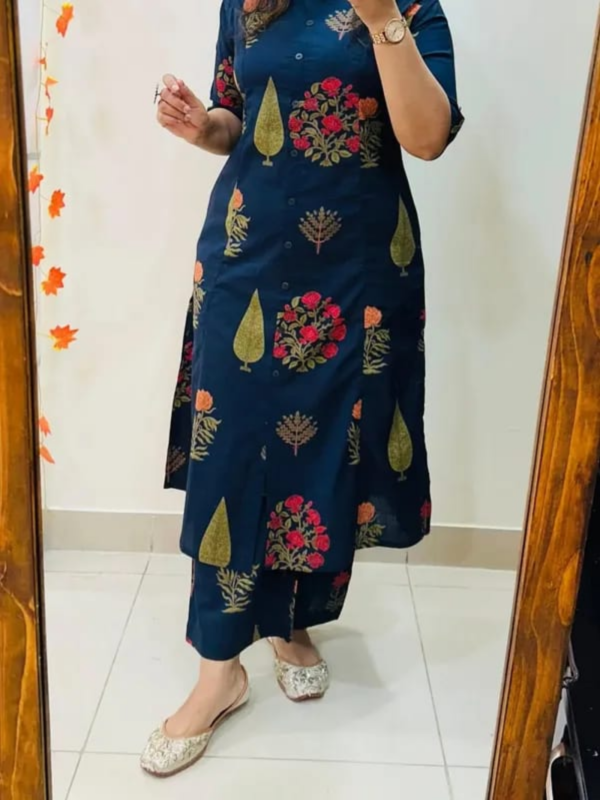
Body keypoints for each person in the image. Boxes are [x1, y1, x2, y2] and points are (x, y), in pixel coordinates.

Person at [141, 0, 463, 778]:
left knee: (322, 449)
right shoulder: (246, 3)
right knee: (230, 455)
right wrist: (201, 127)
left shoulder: (409, 6)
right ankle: (219, 671)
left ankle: (290, 622)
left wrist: (382, 19)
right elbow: (235, 119)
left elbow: (426, 137)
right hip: (246, 251)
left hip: (356, 269)